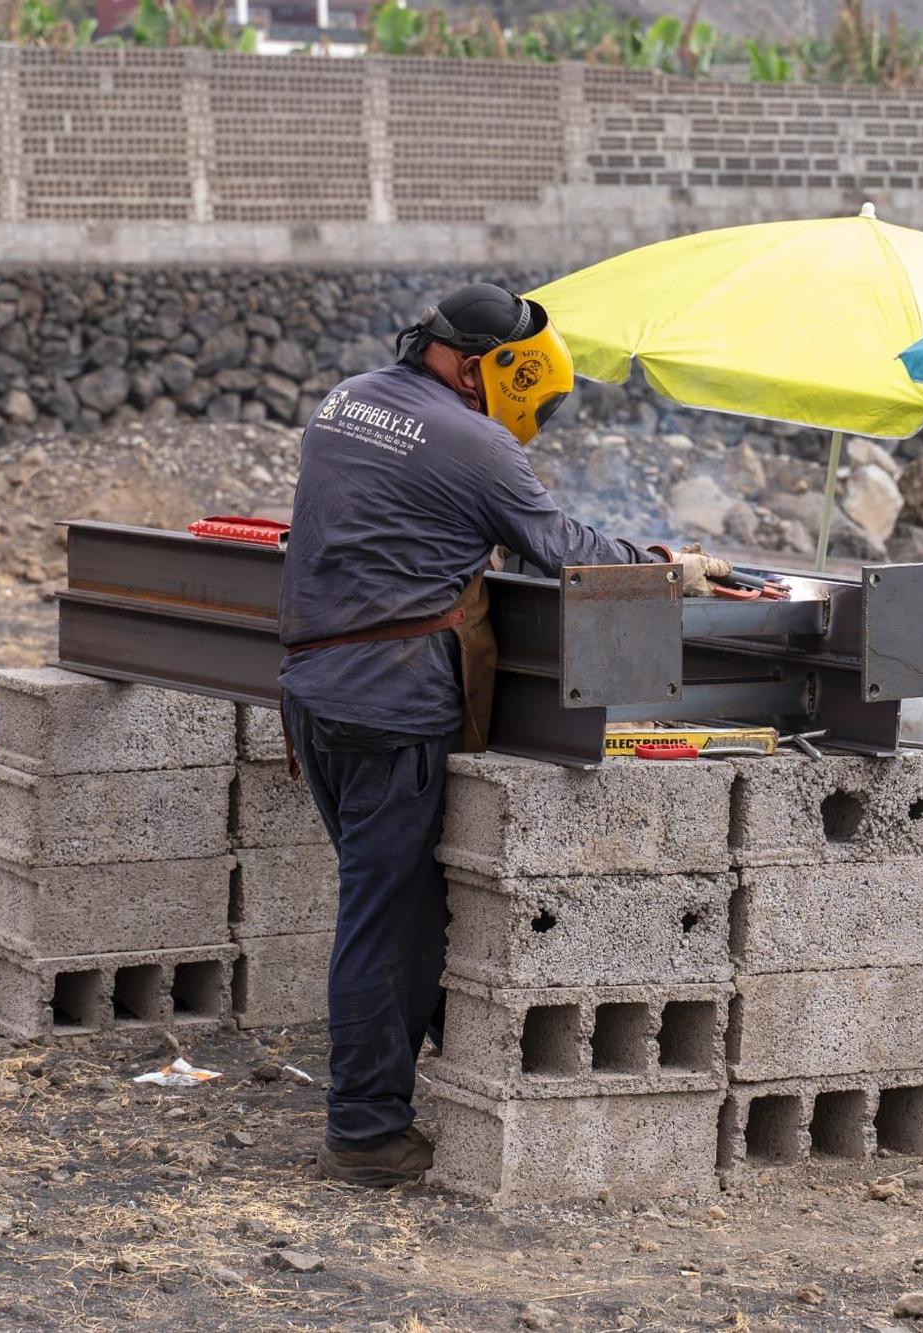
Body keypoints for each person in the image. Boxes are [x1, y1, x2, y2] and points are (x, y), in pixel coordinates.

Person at [278, 283, 732, 1187]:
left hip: (315, 690)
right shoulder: (471, 440)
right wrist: (667, 569)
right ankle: (365, 1132)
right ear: (483, 366)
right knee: (389, 921)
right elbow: (564, 547)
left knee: (393, 907)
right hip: (389, 701)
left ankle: (436, 1075)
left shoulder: (350, 399)